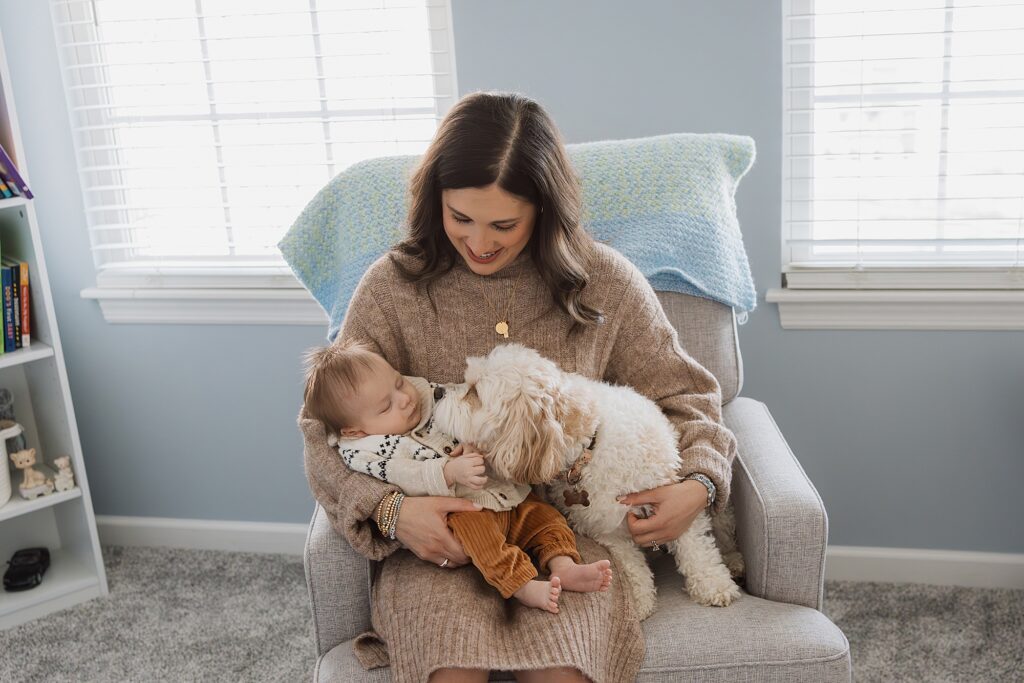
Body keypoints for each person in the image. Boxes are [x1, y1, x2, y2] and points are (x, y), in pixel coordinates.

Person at [300, 90, 738, 683]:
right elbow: (324, 431)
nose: (479, 242)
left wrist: (698, 484)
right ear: (436, 205)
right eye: (461, 218)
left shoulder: (601, 281)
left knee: (563, 670)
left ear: (543, 209)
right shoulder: (392, 288)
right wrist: (392, 509)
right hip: (443, 541)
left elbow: (689, 397)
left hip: (569, 534)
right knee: (449, 666)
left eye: (503, 224)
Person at [302, 340, 613, 613]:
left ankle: (564, 564)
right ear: (355, 431)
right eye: (386, 406)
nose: (406, 398)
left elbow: (453, 399)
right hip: (461, 511)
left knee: (546, 519)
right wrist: (396, 508)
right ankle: (521, 583)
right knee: (484, 542)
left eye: (399, 383)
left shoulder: (413, 396)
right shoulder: (369, 451)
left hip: (507, 494)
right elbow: (404, 472)